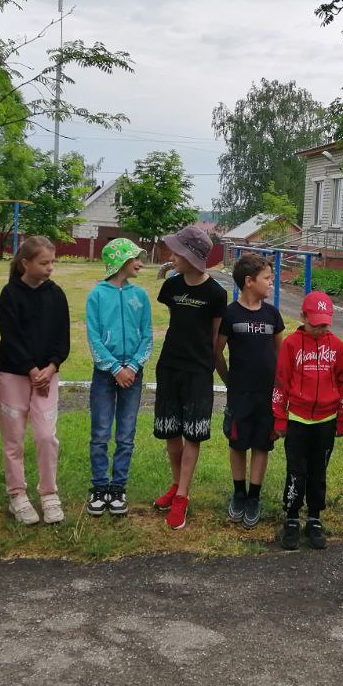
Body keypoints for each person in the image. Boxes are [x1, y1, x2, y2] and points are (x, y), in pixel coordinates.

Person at [151, 223, 227, 530]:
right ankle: (175, 484)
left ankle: (182, 496)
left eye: (177, 250)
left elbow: (214, 337)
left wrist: (210, 367)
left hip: (198, 370)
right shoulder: (171, 286)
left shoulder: (216, 293)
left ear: (192, 255)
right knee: (171, 429)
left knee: (193, 432)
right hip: (169, 366)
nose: (171, 254)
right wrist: (165, 271)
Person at [0, 235, 70, 526]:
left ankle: (49, 493)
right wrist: (30, 369)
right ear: (25, 263)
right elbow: (11, 337)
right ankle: (17, 495)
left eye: (52, 262)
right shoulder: (9, 294)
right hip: (13, 375)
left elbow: (61, 336)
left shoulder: (57, 294)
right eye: (44, 263)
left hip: (47, 377)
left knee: (45, 436)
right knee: (13, 439)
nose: (50, 267)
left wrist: (51, 367)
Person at [272, 290, 343, 551]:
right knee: (297, 470)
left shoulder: (337, 346)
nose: (319, 329)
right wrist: (279, 417)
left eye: (324, 324)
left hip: (326, 420)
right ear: (303, 316)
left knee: (318, 472)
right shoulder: (291, 344)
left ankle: (314, 517)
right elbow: (281, 381)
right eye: (314, 323)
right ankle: (292, 517)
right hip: (297, 419)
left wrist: (342, 418)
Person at [215, 253, 284, 528]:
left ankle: (254, 496)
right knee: (238, 443)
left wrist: (280, 389)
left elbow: (281, 354)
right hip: (239, 395)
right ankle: (239, 493)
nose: (271, 283)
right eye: (267, 278)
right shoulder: (230, 314)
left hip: (266, 395)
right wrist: (229, 380)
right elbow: (217, 352)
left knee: (261, 444)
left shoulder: (272, 314)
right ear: (248, 281)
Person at [85, 238, 152, 517]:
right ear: (121, 261)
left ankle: (118, 487)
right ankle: (100, 487)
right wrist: (114, 368)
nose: (140, 263)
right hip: (105, 374)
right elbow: (94, 337)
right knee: (100, 433)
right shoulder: (97, 295)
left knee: (126, 434)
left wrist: (133, 367)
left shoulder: (141, 296)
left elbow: (147, 335)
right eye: (136, 258)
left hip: (133, 375)